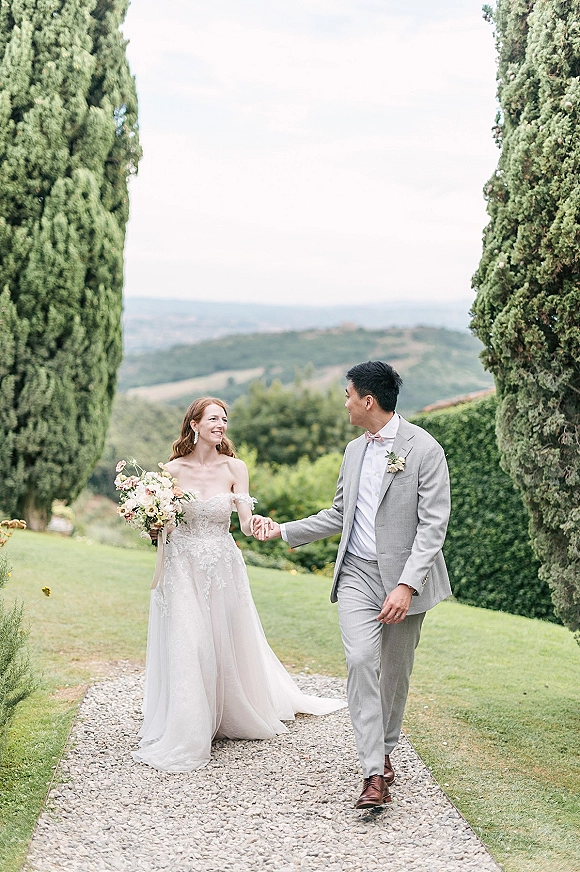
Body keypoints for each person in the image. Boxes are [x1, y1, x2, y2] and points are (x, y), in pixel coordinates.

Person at [257, 361, 451, 809]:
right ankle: (372, 772)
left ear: (368, 401)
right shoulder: (353, 451)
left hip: (406, 582)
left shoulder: (425, 450)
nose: (344, 403)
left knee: (395, 674)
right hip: (357, 575)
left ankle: (384, 750)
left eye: (347, 395)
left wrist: (406, 585)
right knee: (362, 659)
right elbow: (337, 514)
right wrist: (284, 531)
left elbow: (433, 526)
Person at [131, 396, 345, 773]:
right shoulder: (170, 471)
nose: (222, 425)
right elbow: (164, 523)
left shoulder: (235, 467)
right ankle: (189, 724)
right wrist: (152, 525)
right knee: (190, 640)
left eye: (225, 420)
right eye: (214, 418)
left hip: (221, 566)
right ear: (194, 424)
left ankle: (226, 712)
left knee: (220, 639)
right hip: (181, 566)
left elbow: (244, 521)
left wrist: (258, 525)